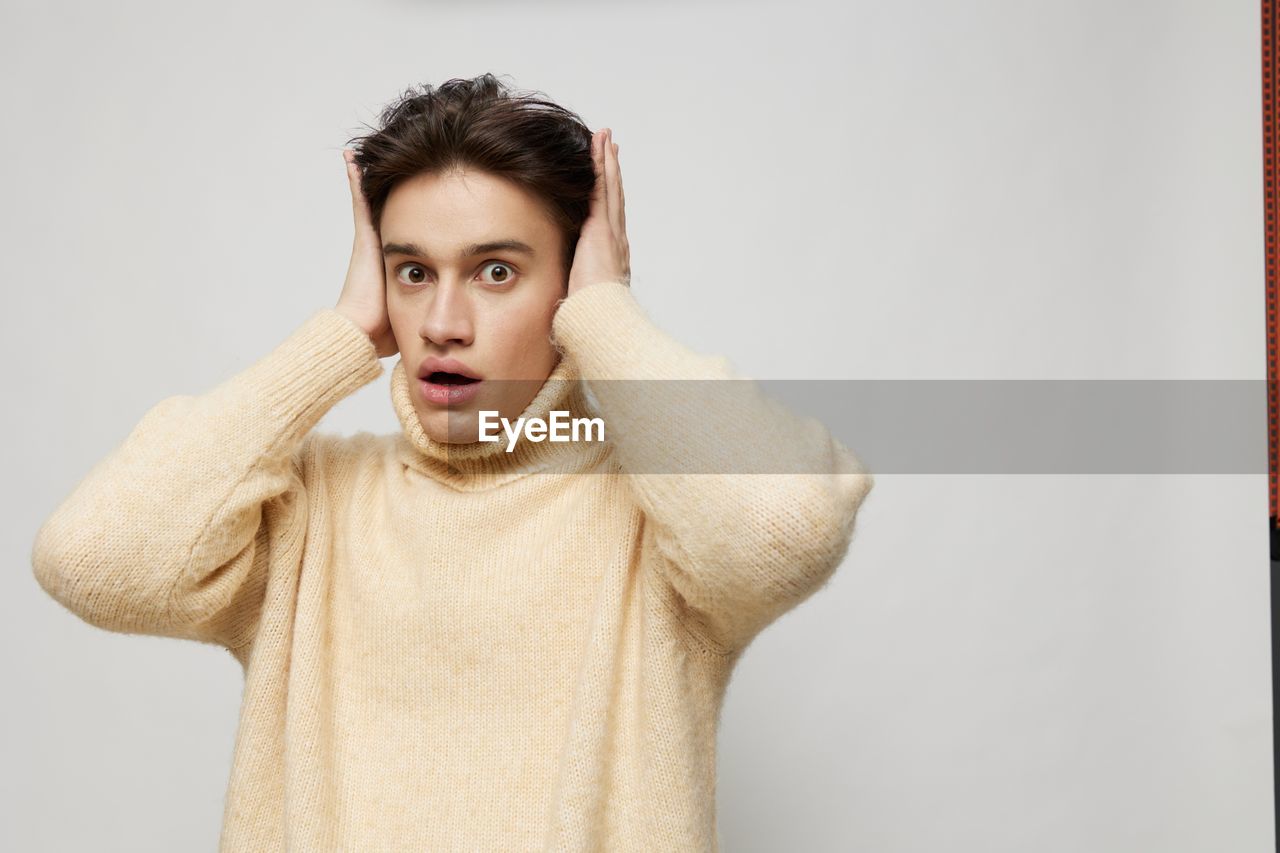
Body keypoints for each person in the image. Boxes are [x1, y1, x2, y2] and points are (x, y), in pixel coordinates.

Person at [31, 73, 875, 851]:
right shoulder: (310, 508)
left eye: (495, 271)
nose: (442, 320)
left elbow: (782, 525)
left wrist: (608, 316)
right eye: (411, 272)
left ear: (571, 284)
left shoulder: (656, 513)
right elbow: (93, 558)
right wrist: (340, 337)